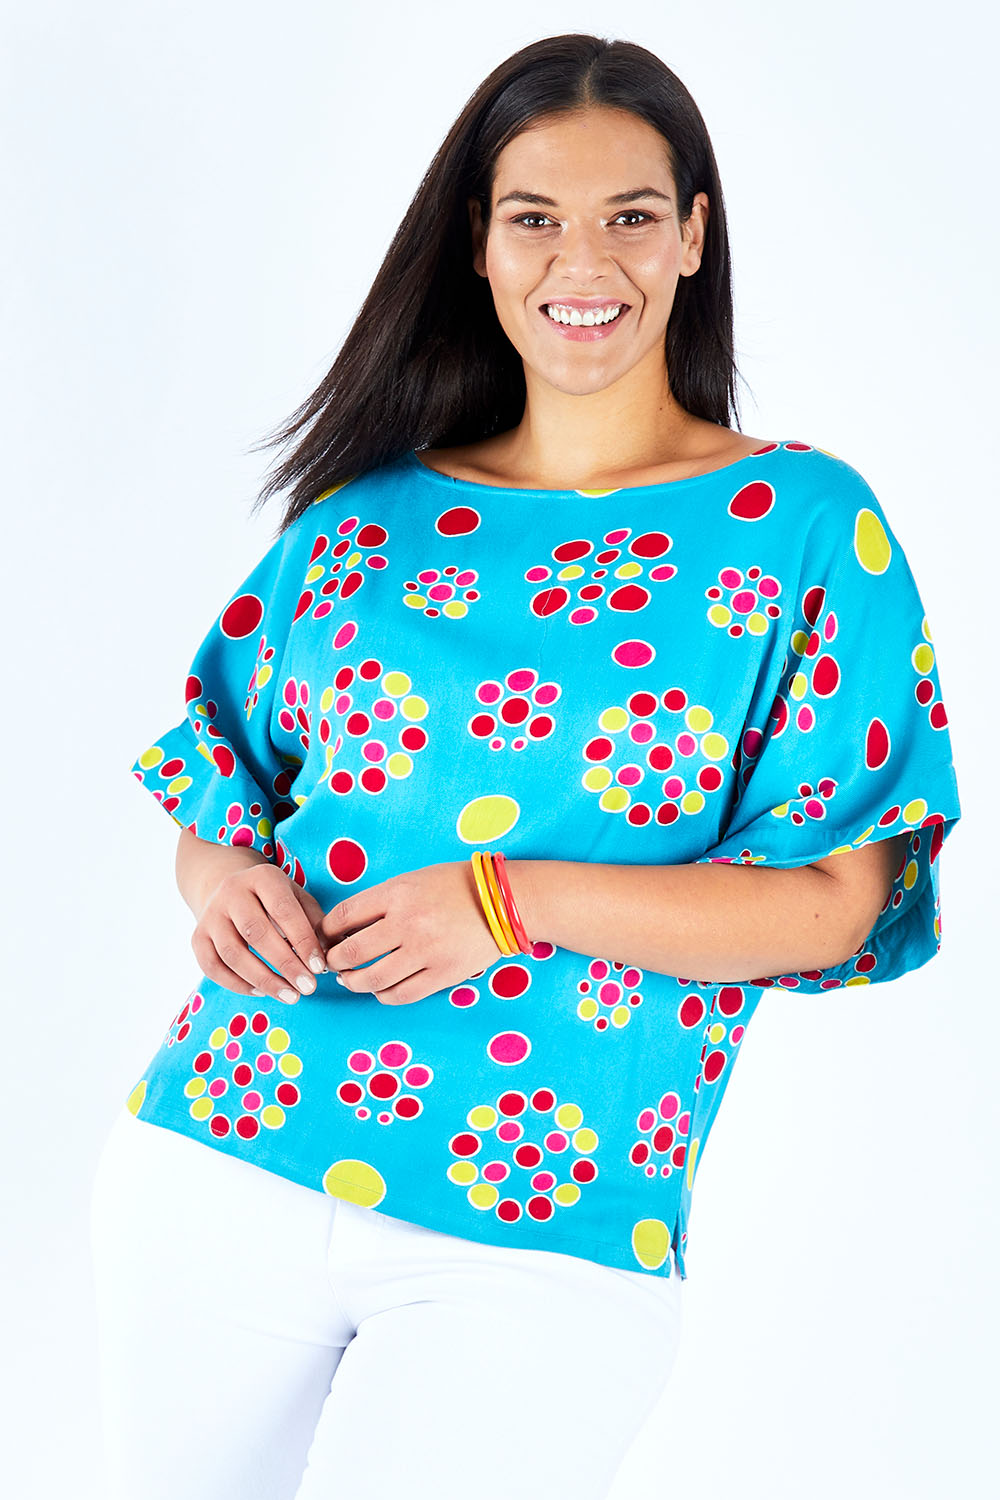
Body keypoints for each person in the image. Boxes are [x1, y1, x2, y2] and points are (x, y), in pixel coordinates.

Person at [89, 31, 961, 1500]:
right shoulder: (365, 511)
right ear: (480, 247)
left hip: (549, 1224)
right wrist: (219, 879)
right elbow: (224, 775)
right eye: (535, 216)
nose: (584, 260)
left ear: (693, 237)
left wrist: (506, 900)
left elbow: (835, 903)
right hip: (225, 1147)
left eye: (631, 214)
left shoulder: (808, 524)